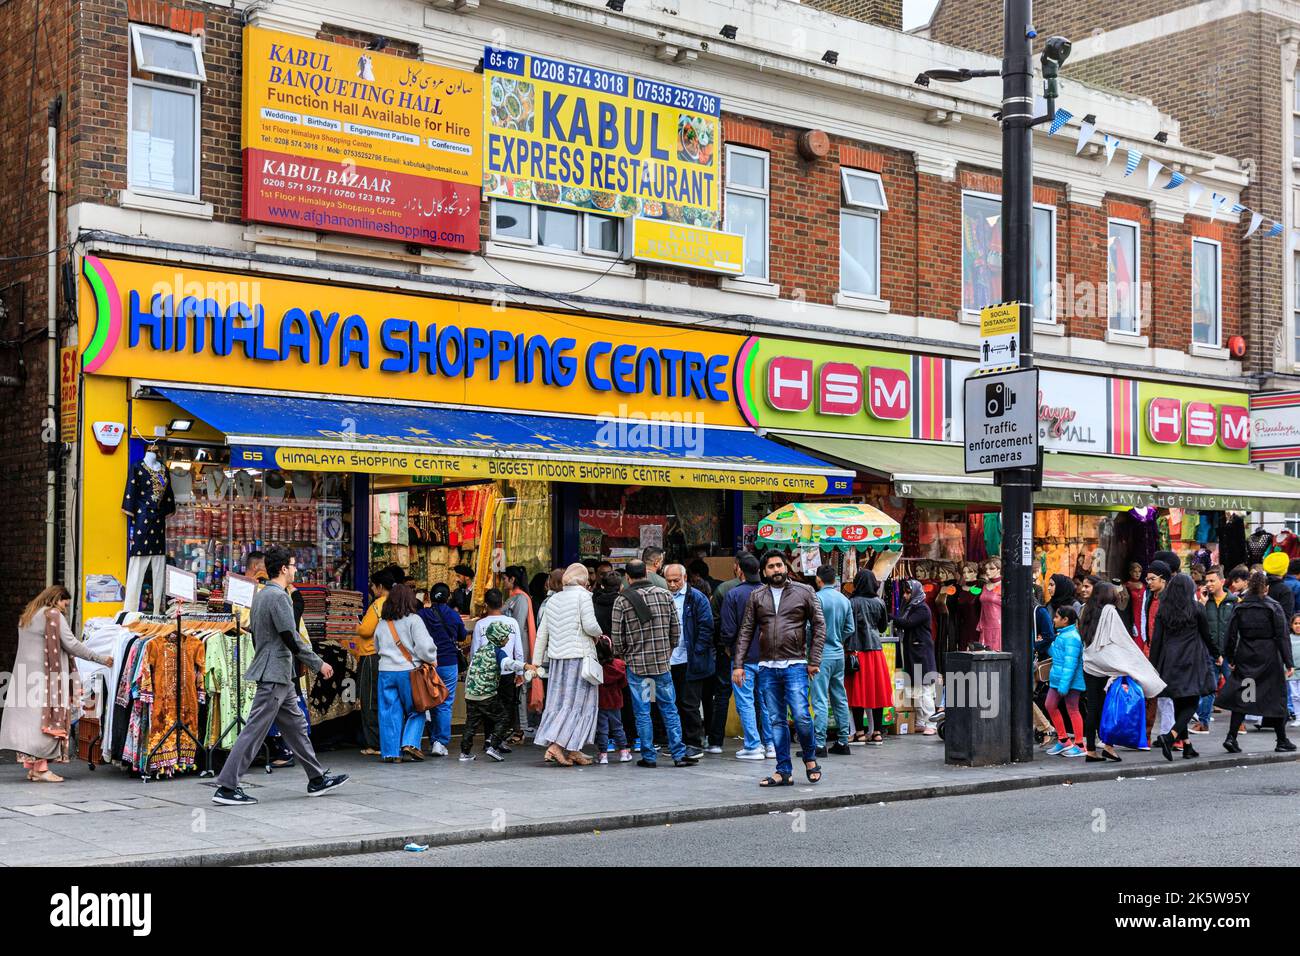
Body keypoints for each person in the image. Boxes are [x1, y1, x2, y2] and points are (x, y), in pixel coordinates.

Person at [212, 548, 348, 804]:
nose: (296, 570)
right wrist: (319, 664)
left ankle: (316, 777)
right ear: (283, 569)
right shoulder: (278, 597)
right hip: (275, 674)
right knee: (254, 730)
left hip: (278, 674)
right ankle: (227, 786)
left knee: (296, 727)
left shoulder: (262, 596)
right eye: (293, 565)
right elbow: (291, 637)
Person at [0, 586, 113, 783]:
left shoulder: (29, 614)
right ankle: (42, 770)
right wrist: (101, 659)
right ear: (56, 599)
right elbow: (72, 644)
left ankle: (35, 768)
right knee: (48, 721)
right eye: (64, 604)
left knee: (34, 723)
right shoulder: (52, 615)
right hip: (46, 679)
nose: (64, 609)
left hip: (26, 676)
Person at [734, 551, 827, 786]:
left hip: (795, 664)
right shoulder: (757, 596)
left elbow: (819, 624)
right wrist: (738, 664)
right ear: (763, 571)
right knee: (776, 720)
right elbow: (746, 631)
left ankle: (810, 758)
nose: (776, 570)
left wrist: (814, 660)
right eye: (771, 567)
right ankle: (783, 770)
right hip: (766, 666)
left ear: (785, 568)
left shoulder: (804, 591)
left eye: (779, 565)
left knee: (801, 716)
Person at [613, 560, 696, 767]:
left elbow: (616, 638)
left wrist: (626, 656)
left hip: (637, 667)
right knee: (669, 708)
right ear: (647, 574)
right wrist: (667, 651)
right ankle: (678, 754)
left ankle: (649, 756)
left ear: (628, 578)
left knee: (642, 712)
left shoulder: (622, 601)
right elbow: (676, 630)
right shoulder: (665, 595)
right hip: (662, 665)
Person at [1079, 582, 1166, 763]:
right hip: (1105, 665)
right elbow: (1121, 638)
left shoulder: (1087, 610)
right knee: (1107, 707)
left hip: (1089, 664)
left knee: (1093, 706)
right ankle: (1108, 746)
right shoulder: (1110, 611)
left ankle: (1091, 751)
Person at [530, 563, 604, 766]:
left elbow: (542, 633)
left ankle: (573, 749)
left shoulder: (552, 600)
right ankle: (556, 747)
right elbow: (590, 625)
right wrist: (600, 634)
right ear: (584, 581)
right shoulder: (584, 597)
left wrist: (536, 663)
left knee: (560, 703)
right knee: (579, 704)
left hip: (557, 661)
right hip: (579, 659)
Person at [1217, 570, 1296, 754]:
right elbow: (1282, 636)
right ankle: (1281, 739)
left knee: (1245, 697)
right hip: (1269, 657)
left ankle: (1231, 737)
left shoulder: (1241, 607)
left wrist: (1231, 657)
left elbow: (1230, 635)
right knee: (1276, 697)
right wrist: (1288, 662)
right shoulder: (1273, 607)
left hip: (1246, 657)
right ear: (1266, 588)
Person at [1149, 573, 1217, 761]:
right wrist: (1217, 654)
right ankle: (1170, 736)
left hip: (1170, 659)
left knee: (1179, 700)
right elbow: (1206, 635)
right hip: (1192, 658)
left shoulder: (1164, 609)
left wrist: (1153, 665)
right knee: (1192, 701)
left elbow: (1157, 640)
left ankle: (1187, 746)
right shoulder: (1196, 609)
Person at [375, 583, 439, 763]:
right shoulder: (414, 620)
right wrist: (431, 658)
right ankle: (410, 743)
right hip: (409, 672)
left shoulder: (382, 623)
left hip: (386, 671)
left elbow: (377, 646)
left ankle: (391, 753)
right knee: (417, 707)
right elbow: (425, 647)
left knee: (389, 712)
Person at [716, 553, 769, 760]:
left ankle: (753, 745)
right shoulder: (769, 592)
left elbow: (728, 629)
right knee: (765, 701)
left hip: (742, 658)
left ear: (739, 570)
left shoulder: (734, 594)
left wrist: (729, 648)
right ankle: (771, 744)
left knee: (745, 701)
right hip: (767, 657)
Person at [664, 562, 715, 759]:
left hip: (691, 660)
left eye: (676, 580)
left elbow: (706, 627)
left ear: (684, 578)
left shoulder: (696, 598)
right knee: (673, 703)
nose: (673, 584)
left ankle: (694, 743)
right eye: (669, 580)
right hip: (670, 659)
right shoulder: (664, 596)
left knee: (689, 703)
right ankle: (678, 743)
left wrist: (698, 651)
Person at [469, 588, 526, 748]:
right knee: (506, 705)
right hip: (507, 671)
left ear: (485, 605)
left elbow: (475, 651)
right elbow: (518, 651)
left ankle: (489, 738)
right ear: (502, 603)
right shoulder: (512, 623)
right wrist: (520, 672)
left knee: (488, 706)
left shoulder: (480, 624)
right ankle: (499, 739)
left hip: (487, 672)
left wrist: (474, 671)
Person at [460, 620, 520, 762]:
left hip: (471, 694)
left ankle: (464, 753)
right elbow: (508, 664)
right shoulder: (498, 652)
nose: (507, 639)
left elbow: (471, 671)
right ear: (499, 638)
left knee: (471, 724)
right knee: (503, 718)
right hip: (486, 694)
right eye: (505, 636)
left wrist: (467, 690)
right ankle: (493, 746)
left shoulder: (480, 650)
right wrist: (525, 666)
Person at [811, 565, 854, 757]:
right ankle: (843, 741)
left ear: (819, 580)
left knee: (820, 699)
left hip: (820, 655)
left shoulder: (817, 598)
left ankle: (820, 744)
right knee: (840, 698)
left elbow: (808, 628)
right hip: (838, 654)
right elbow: (850, 628)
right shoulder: (844, 600)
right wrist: (838, 639)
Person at [846, 570, 892, 745]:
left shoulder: (851, 603)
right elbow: (881, 628)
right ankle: (878, 732)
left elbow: (848, 627)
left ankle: (859, 732)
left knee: (856, 692)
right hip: (875, 650)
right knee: (877, 690)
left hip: (856, 650)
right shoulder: (879, 602)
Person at [353, 567, 395, 756]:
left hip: (371, 656)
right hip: (391, 656)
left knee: (369, 699)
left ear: (379, 586)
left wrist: (357, 625)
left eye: (373, 585)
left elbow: (366, 631)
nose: (371, 588)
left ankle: (374, 743)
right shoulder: (396, 603)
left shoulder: (378, 604)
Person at [1191, 565, 1234, 735]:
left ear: (1222, 582)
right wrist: (1201, 603)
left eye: (1212, 580)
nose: (1208, 584)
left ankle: (1241, 722)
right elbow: (1195, 625)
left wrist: (1232, 654)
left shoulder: (1234, 601)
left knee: (1237, 687)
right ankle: (1203, 722)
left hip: (1229, 654)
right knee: (1208, 687)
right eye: (1207, 581)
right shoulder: (1202, 602)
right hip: (1209, 652)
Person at [894, 578, 939, 735]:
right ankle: (920, 720)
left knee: (925, 688)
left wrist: (892, 618)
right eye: (905, 592)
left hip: (922, 653)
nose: (905, 596)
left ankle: (931, 723)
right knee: (916, 689)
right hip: (914, 652)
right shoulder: (911, 607)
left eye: (908, 592)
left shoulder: (921, 609)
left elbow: (907, 623)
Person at [416, 587, 458, 757]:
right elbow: (461, 635)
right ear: (448, 597)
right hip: (448, 662)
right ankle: (439, 742)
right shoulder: (453, 615)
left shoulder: (422, 615)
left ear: (430, 597)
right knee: (445, 703)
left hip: (428, 663)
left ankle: (432, 739)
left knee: (430, 701)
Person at [1043, 606, 1086, 757]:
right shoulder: (1063, 635)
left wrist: (1064, 685)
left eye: (1056, 617)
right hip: (1059, 680)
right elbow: (1058, 655)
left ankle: (1080, 745)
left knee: (1073, 709)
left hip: (1070, 682)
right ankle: (1063, 740)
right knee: (1050, 705)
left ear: (1065, 620)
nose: (1054, 620)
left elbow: (1071, 664)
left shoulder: (1072, 637)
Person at [593, 635, 631, 764]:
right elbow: (623, 684)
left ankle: (603, 755)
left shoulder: (595, 666)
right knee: (618, 727)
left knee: (602, 729)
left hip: (601, 702)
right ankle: (624, 752)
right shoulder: (619, 665)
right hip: (615, 701)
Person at [1264, 551, 1296, 621]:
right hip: (1277, 629)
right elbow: (1286, 617)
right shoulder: (1285, 590)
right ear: (1285, 569)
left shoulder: (1258, 585)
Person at [1289, 613, 1300, 726]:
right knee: (1294, 695)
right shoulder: (1288, 638)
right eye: (1295, 623)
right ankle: (1298, 717)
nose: (1298, 626)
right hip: (1292, 671)